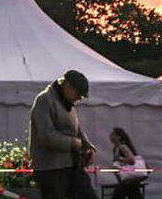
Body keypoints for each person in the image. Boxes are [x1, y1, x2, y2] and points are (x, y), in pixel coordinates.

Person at [30, 70, 98, 199]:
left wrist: (88, 147)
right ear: (67, 86)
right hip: (51, 169)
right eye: (79, 95)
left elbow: (77, 129)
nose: (79, 99)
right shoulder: (44, 100)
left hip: (72, 165)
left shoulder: (67, 105)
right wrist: (72, 143)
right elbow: (45, 136)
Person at [108, 128, 145, 199]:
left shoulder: (123, 147)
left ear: (118, 137)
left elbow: (132, 160)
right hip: (128, 180)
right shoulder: (116, 148)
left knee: (118, 195)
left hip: (128, 180)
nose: (111, 136)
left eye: (113, 134)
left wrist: (119, 159)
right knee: (134, 195)